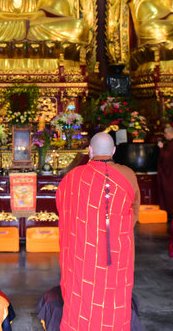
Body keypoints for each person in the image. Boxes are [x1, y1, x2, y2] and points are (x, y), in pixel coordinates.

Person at [56, 132, 140, 331]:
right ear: (114, 150)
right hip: (117, 248)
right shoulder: (128, 174)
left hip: (84, 248)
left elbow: (62, 206)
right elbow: (135, 210)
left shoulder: (73, 177)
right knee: (116, 290)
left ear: (90, 150)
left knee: (82, 290)